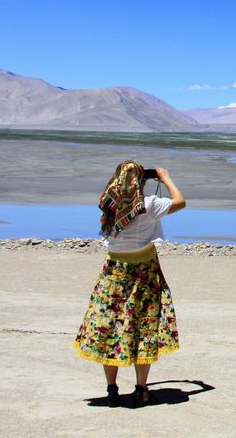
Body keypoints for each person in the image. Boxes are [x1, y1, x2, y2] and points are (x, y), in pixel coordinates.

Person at [73, 160, 186, 408]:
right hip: (144, 273)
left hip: (114, 273)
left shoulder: (109, 203)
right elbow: (180, 201)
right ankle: (141, 389)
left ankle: (112, 390)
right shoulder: (149, 205)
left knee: (110, 329)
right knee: (143, 328)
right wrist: (165, 179)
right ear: (141, 180)